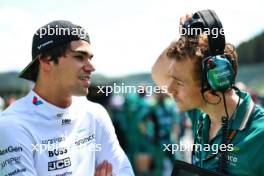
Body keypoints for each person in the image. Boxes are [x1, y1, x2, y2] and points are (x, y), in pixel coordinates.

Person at [0, 20, 134, 176]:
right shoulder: (12, 125)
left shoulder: (95, 114)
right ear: (47, 60)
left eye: (90, 58)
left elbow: (124, 171)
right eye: (79, 57)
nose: (91, 67)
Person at [151, 11, 264, 175]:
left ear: (213, 87)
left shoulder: (259, 135)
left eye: (179, 82)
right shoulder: (201, 114)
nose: (169, 88)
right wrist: (185, 39)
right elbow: (157, 73)